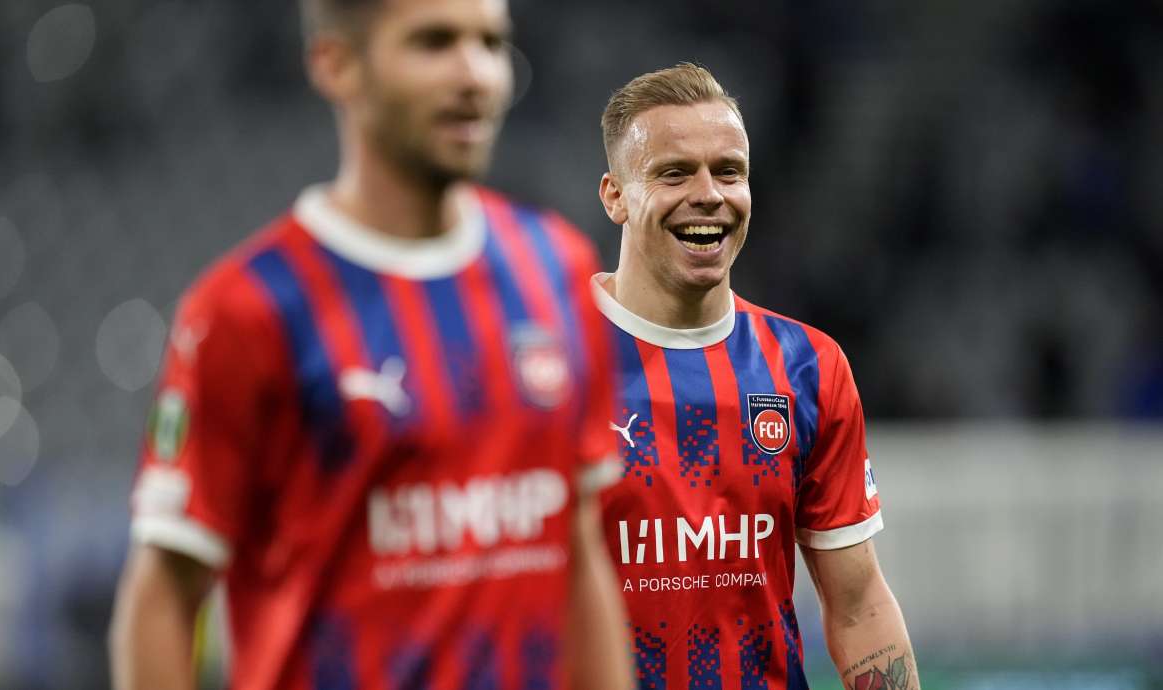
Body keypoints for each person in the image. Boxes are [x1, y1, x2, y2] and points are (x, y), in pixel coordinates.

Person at [109, 1, 632, 689]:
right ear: (336, 63)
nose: (475, 73)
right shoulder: (247, 310)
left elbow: (579, 543)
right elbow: (165, 595)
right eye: (434, 42)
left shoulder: (557, 268)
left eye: (491, 43)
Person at [592, 63, 919, 690]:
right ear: (615, 196)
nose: (709, 193)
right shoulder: (552, 365)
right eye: (674, 172)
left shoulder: (809, 367)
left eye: (729, 171)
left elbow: (860, 604)